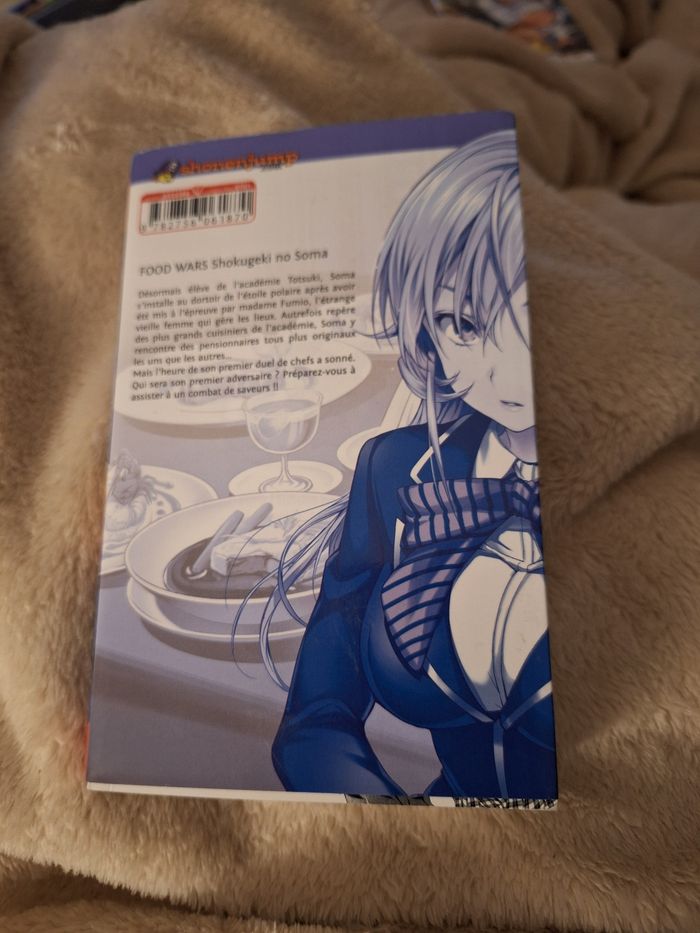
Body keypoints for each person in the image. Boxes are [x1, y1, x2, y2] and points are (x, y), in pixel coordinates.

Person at [241, 128, 556, 800]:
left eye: (531, 322)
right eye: (463, 324)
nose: (505, 372)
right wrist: (389, 822)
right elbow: (314, 720)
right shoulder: (394, 469)